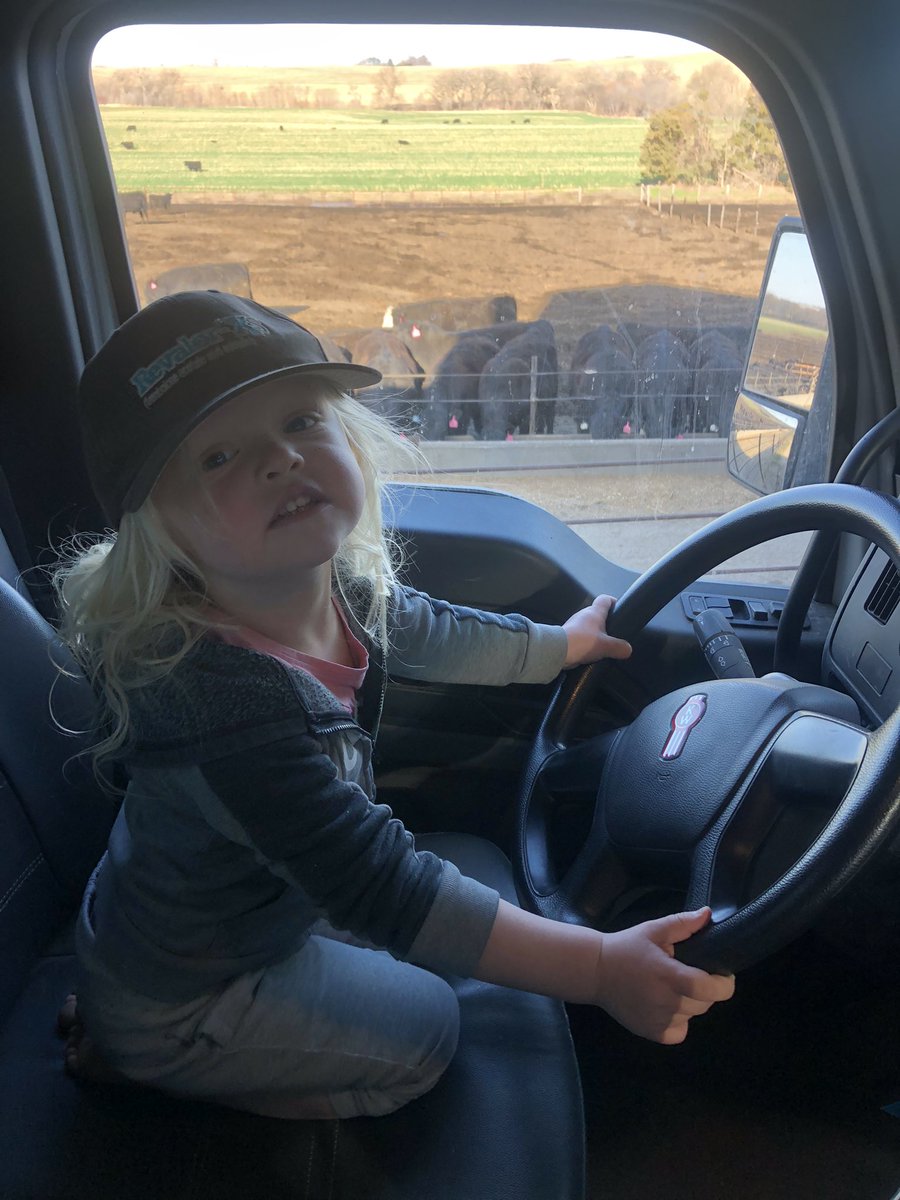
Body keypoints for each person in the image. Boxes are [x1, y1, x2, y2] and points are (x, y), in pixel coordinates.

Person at [56, 290, 734, 1122]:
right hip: (186, 993)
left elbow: (427, 629)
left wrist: (560, 646)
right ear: (158, 530)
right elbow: (390, 890)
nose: (280, 460)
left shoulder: (330, 588)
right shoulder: (228, 717)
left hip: (208, 917)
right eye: (217, 458)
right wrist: (597, 969)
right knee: (428, 1034)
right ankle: (150, 1063)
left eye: (302, 421)